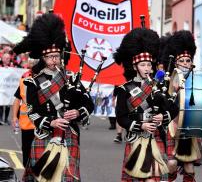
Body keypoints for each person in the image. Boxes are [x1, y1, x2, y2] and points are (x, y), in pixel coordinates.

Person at [13, 13, 94, 182]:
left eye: (56, 56)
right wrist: (51, 122)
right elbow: (32, 112)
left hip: (69, 135)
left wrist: (78, 112)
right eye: (50, 57)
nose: (54, 60)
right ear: (43, 58)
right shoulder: (33, 82)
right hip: (45, 135)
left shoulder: (72, 78)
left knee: (67, 178)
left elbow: (88, 102)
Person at [114, 27, 179, 181]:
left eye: (149, 65)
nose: (147, 68)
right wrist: (140, 125)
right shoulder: (125, 90)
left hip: (155, 138)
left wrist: (163, 117)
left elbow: (173, 109)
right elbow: (121, 118)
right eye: (143, 65)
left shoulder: (159, 87)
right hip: (135, 139)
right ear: (135, 66)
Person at [161, 30, 200, 182]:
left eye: (188, 61)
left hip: (189, 125)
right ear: (176, 63)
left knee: (189, 168)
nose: (185, 64)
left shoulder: (197, 79)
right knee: (171, 163)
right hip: (172, 124)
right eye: (182, 61)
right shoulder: (167, 79)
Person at [11, 58, 38, 166]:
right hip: (27, 124)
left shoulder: (48, 80)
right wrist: (14, 117)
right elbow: (17, 99)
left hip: (43, 124)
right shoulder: (24, 80)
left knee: (39, 155)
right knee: (27, 154)